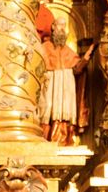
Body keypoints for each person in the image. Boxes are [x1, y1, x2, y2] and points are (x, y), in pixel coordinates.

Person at [38, 17, 94, 146]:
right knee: (48, 109)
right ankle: (46, 139)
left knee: (65, 112)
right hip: (51, 85)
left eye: (64, 26)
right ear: (53, 27)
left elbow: (77, 69)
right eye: (60, 25)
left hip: (66, 87)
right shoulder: (44, 48)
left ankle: (63, 141)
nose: (62, 28)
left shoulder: (68, 51)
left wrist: (85, 58)